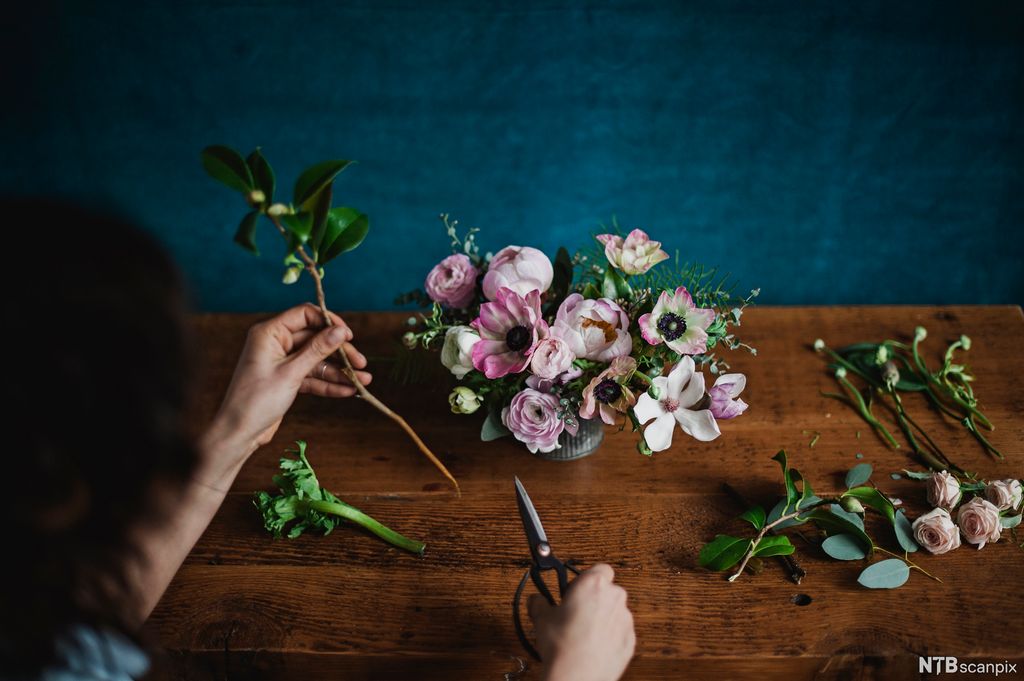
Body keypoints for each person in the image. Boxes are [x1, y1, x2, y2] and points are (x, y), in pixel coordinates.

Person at [2, 200, 634, 681]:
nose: (175, 446)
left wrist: (232, 435)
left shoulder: (38, 619)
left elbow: (89, 623)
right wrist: (578, 672)